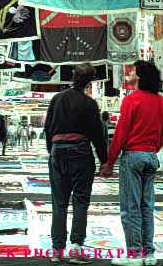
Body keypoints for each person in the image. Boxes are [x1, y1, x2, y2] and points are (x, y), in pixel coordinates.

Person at [101, 61, 163, 266]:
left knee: (130, 206)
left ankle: (134, 254)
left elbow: (121, 133)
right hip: (151, 156)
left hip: (133, 157)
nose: (129, 72)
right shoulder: (160, 101)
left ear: (140, 76)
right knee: (147, 206)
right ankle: (149, 253)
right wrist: (153, 148)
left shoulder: (131, 100)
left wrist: (110, 161)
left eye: (133, 70)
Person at [45, 63, 108, 263]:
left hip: (58, 152)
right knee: (80, 202)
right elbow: (98, 135)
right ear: (89, 82)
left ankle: (57, 250)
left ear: (72, 77)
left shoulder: (56, 99)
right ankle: (76, 246)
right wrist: (105, 161)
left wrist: (52, 151)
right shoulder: (89, 104)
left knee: (59, 202)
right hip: (81, 153)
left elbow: (48, 128)